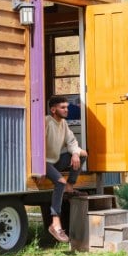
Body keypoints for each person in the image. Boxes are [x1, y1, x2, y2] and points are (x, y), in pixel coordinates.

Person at [44, 95, 88, 243]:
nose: (66, 110)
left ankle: (70, 186)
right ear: (53, 109)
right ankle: (55, 225)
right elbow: (35, 145)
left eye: (67, 107)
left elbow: (72, 141)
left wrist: (75, 153)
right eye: (63, 107)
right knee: (60, 183)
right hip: (42, 162)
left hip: (55, 161)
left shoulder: (63, 123)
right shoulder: (46, 122)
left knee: (82, 154)